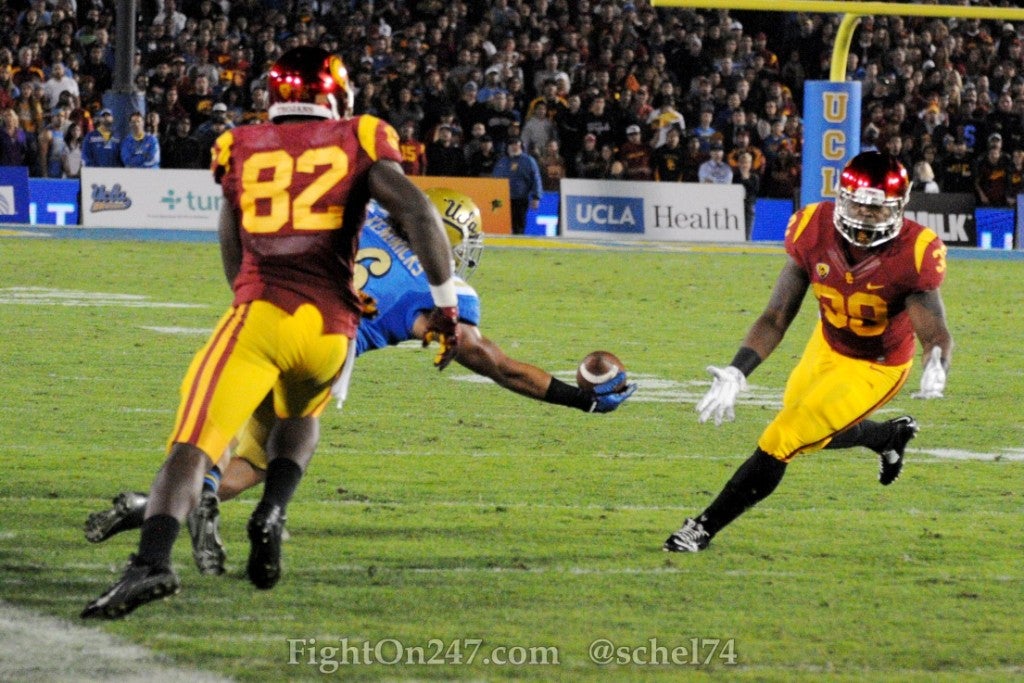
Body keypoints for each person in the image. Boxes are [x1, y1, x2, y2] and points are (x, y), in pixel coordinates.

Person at [81, 46, 462, 620]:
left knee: (192, 445)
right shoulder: (362, 134)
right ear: (335, 93)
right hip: (333, 334)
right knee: (300, 419)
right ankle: (274, 508)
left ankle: (151, 563)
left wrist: (251, 306)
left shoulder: (240, 144)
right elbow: (420, 214)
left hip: (266, 313)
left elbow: (232, 243)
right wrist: (447, 306)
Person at [84, 189, 638, 574]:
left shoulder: (367, 213)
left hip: (265, 321)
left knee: (213, 447)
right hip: (321, 351)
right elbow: (490, 360)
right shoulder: (444, 291)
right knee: (266, 462)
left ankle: (149, 508)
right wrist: (578, 400)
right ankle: (243, 514)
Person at [663, 153, 953, 554]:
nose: (865, 216)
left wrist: (936, 357)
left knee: (783, 436)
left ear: (899, 207)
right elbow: (776, 316)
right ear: (840, 198)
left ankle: (702, 527)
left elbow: (934, 331)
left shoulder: (915, 252)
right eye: (856, 204)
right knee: (808, 431)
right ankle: (887, 435)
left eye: (876, 207)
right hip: (827, 343)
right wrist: (738, 370)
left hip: (876, 366)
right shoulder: (812, 227)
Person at [493, 136, 542, 235]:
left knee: (519, 225)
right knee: (502, 225)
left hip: (521, 198)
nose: (514, 147)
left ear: (521, 146)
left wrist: (536, 196)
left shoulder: (528, 161)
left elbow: (536, 179)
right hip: (503, 199)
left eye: (517, 144)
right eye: (511, 145)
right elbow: (495, 179)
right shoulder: (502, 161)